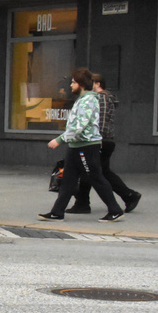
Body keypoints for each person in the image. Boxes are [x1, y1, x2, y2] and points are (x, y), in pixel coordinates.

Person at [39, 68, 124, 223]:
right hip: (76, 145)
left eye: (73, 82)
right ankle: (57, 212)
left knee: (96, 177)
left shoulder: (88, 100)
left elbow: (79, 126)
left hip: (86, 146)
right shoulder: (83, 99)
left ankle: (115, 210)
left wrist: (59, 140)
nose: (71, 85)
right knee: (68, 180)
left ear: (81, 84)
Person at [68, 73, 141, 214]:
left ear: (98, 84)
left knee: (92, 172)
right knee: (98, 172)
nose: (88, 86)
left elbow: (100, 121)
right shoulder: (102, 98)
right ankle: (127, 196)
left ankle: (126, 196)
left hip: (100, 141)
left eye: (91, 83)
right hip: (103, 140)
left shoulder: (102, 98)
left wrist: (97, 140)